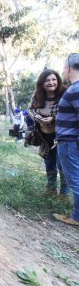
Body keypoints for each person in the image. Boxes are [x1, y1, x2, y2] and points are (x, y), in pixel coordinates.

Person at [28, 69, 68, 197]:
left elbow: (70, 113)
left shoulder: (65, 94)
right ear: (42, 83)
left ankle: (64, 195)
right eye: (47, 80)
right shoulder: (38, 95)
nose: (51, 82)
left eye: (54, 79)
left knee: (62, 165)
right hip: (44, 136)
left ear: (58, 80)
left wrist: (53, 118)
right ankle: (51, 190)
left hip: (61, 136)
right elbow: (30, 109)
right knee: (49, 163)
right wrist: (37, 117)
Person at [53, 53, 79, 226]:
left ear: (69, 68)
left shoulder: (76, 89)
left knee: (75, 179)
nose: (63, 71)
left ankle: (77, 217)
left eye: (63, 67)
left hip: (70, 143)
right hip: (68, 141)